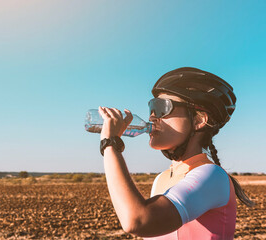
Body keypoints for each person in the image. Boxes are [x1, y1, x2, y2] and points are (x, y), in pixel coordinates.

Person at [98, 67, 254, 239]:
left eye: (162, 108)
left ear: (199, 120)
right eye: (151, 107)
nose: (152, 117)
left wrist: (110, 143)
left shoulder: (212, 175)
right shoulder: (161, 179)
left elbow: (138, 220)